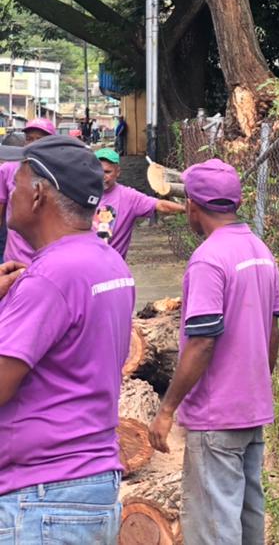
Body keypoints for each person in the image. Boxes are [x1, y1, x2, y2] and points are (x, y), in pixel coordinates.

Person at [0, 135, 135, 542]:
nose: (10, 192)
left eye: (16, 184)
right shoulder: (107, 262)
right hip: (88, 488)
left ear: (38, 193)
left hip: (42, 500)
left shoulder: (48, 278)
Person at [149, 159, 279, 545]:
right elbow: (272, 330)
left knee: (213, 525)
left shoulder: (208, 259)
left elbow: (203, 340)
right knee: (246, 516)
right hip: (251, 407)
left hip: (215, 414)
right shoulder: (260, 250)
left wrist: (167, 408)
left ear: (192, 204)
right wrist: (257, 383)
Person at [93, 149, 186, 259]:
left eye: (107, 172)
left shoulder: (128, 196)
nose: (102, 176)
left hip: (112, 266)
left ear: (118, 172)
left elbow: (160, 205)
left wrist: (188, 209)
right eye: (98, 171)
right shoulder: (81, 193)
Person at [0, 118, 56, 267]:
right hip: (14, 259)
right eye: (29, 139)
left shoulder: (59, 173)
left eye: (39, 139)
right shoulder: (8, 169)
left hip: (48, 259)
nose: (33, 144)